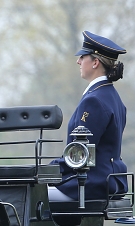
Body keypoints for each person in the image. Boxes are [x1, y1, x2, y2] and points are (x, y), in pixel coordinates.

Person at [48, 31, 129, 203]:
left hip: (90, 184)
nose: (78, 61)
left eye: (82, 57)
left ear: (95, 62)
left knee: (30, 196)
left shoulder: (94, 100)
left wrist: (44, 170)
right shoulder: (113, 97)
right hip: (109, 180)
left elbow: (78, 156)